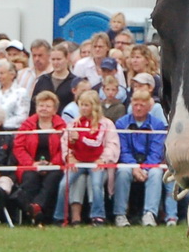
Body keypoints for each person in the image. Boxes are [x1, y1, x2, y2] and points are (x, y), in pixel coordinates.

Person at [114, 87, 176, 226]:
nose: (138, 108)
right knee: (123, 172)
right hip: (129, 162)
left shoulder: (158, 125)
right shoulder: (121, 124)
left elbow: (156, 151)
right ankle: (120, 214)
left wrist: (146, 168)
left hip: (150, 163)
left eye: (142, 105)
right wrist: (134, 167)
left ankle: (149, 214)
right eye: (135, 105)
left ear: (149, 107)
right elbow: (123, 150)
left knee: (155, 173)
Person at [59, 90, 118, 225]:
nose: (84, 108)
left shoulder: (106, 124)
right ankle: (60, 216)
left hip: (97, 162)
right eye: (82, 105)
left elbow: (112, 144)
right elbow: (65, 142)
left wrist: (103, 159)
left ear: (95, 106)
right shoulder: (74, 123)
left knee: (96, 184)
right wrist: (69, 156)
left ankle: (98, 215)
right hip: (78, 161)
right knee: (64, 184)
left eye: (87, 105)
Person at [13, 91, 68, 224]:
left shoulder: (62, 126)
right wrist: (32, 164)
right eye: (41, 105)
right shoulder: (27, 125)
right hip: (30, 164)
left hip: (54, 165)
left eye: (48, 106)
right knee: (30, 178)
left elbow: (65, 147)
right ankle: (35, 213)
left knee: (53, 178)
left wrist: (51, 164)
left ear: (54, 110)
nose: (44, 108)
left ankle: (35, 207)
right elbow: (18, 147)